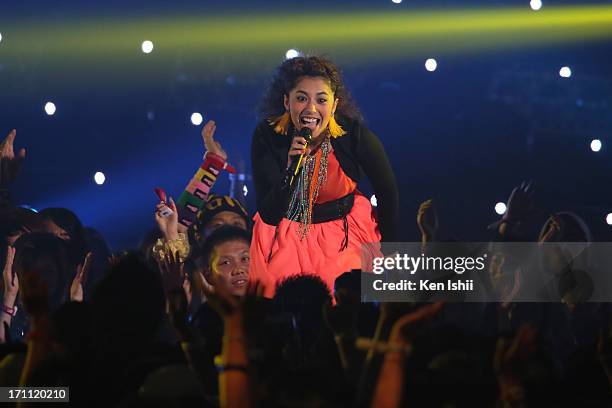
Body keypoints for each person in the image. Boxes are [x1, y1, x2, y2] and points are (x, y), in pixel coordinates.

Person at [250, 55, 399, 296]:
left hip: (344, 235)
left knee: (346, 302)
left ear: (334, 105)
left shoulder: (352, 134)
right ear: (286, 101)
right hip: (285, 234)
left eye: (321, 100)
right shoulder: (268, 135)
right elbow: (269, 212)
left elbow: (388, 192)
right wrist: (290, 170)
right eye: (301, 98)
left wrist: (389, 254)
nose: (311, 109)